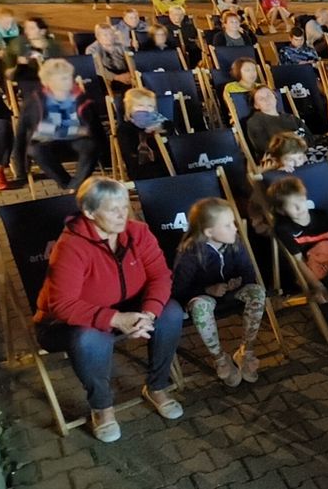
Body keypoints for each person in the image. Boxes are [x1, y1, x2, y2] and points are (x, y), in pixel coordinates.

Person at [33, 177, 184, 442]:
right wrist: (115, 319)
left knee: (169, 312)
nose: (122, 214)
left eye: (124, 206)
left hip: (128, 307)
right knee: (90, 338)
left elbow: (160, 276)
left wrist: (147, 314)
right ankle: (102, 407)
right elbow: (62, 305)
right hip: (65, 323)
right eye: (112, 209)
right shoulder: (71, 246)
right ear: (90, 213)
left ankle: (157, 386)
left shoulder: (138, 233)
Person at [171, 198, 266, 387]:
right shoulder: (191, 252)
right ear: (209, 232)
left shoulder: (234, 242)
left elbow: (248, 270)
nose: (235, 228)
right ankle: (220, 358)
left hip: (231, 291)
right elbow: (179, 289)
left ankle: (245, 351)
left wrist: (240, 281)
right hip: (202, 295)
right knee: (200, 308)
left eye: (233, 223)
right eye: (228, 225)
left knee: (257, 292)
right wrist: (207, 289)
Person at [14, 59, 101, 191]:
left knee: (90, 146)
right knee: (35, 150)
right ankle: (68, 185)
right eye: (63, 79)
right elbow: (21, 133)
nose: (69, 81)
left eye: (69, 77)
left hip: (76, 140)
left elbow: (96, 126)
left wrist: (105, 154)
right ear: (49, 81)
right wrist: (20, 169)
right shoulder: (34, 101)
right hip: (47, 142)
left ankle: (76, 186)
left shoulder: (81, 97)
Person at [116, 87, 173, 181]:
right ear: (130, 109)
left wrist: (161, 128)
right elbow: (130, 154)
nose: (145, 109)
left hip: (165, 163)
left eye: (150, 106)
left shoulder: (161, 123)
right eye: (140, 105)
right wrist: (146, 133)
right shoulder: (125, 129)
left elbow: (172, 134)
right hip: (142, 167)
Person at [244, 86, 311, 159]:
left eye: (269, 95)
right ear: (256, 105)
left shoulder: (291, 118)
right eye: (261, 99)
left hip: (305, 152)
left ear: (275, 97)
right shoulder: (254, 122)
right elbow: (264, 148)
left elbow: (309, 138)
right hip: (281, 159)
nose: (267, 100)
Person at [3, 17, 61, 82]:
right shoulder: (19, 46)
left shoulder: (53, 47)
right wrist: (18, 66)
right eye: (25, 28)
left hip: (50, 82)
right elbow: (8, 75)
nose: (26, 31)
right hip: (28, 83)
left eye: (31, 28)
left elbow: (60, 68)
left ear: (42, 31)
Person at [85, 23, 132, 91]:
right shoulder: (92, 49)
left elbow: (130, 60)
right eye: (105, 35)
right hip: (106, 77)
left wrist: (130, 73)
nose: (109, 37)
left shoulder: (121, 45)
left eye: (111, 34)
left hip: (125, 73)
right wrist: (116, 77)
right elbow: (97, 69)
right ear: (98, 36)